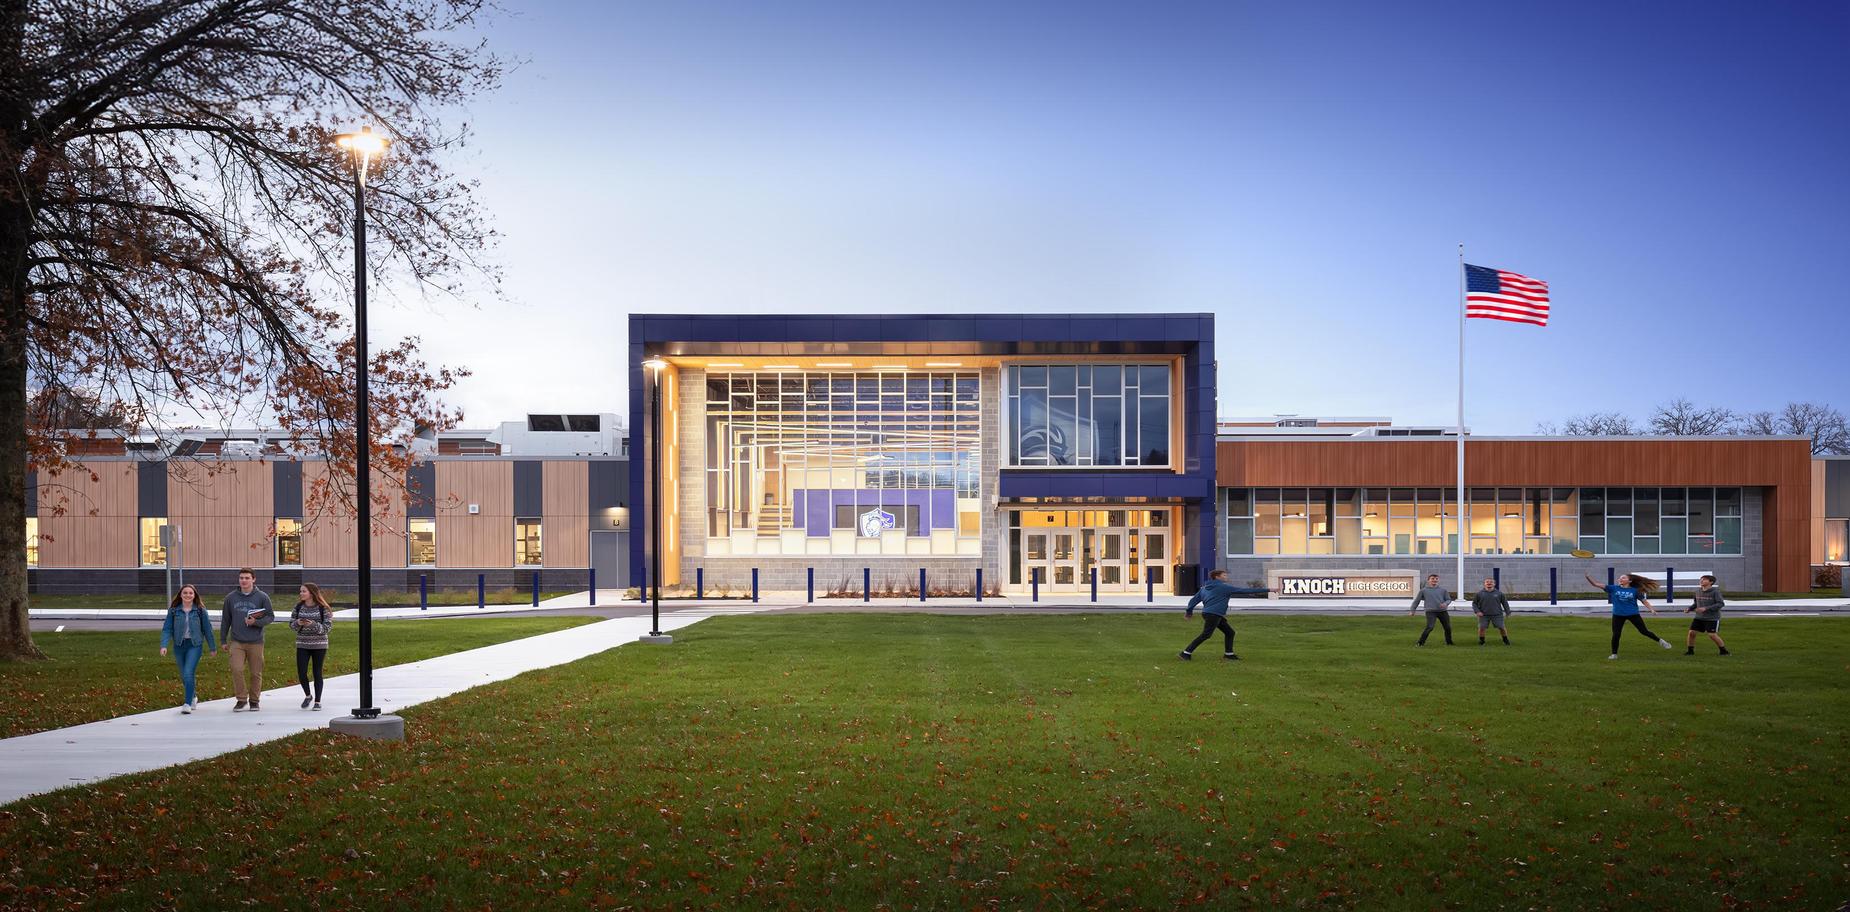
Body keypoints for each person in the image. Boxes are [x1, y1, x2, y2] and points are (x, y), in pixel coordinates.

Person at [220, 567, 274, 711]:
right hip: (237, 641)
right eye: (241, 578)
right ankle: (241, 699)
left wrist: (255, 622)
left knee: (256, 672)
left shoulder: (262, 597)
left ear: (253, 579)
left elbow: (270, 616)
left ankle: (254, 701)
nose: (244, 581)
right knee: (236, 669)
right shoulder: (231, 598)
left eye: (247, 578)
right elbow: (226, 620)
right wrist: (223, 640)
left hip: (256, 641)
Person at [159, 583, 217, 713]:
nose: (188, 595)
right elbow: (167, 629)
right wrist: (164, 645)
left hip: (194, 645)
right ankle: (193, 697)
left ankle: (187, 703)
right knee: (183, 675)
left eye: (190, 593)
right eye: (185, 593)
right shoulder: (174, 611)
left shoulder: (200, 611)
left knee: (188, 672)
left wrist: (212, 647)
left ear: (194, 595)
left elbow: (208, 629)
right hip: (179, 645)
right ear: (180, 595)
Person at [1587, 572, 1672, 659]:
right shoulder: (1613, 588)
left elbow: (1644, 601)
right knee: (1616, 634)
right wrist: (1588, 576)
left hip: (1633, 614)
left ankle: (1661, 641)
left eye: (1623, 578)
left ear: (1630, 581)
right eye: (1620, 578)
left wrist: (1651, 609)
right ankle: (1614, 654)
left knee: (1644, 631)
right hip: (1618, 615)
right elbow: (1595, 584)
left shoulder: (1635, 590)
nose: (1620, 579)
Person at [1179, 569, 1241, 661]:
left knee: (1230, 632)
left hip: (1210, 614)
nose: (1226, 577)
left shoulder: (1204, 588)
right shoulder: (1224, 587)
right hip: (1214, 614)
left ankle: (1229, 654)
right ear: (1217, 577)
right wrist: (1268, 589)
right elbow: (1244, 590)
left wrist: (1189, 612)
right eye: (1224, 575)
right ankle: (1185, 653)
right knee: (1206, 635)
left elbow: (1193, 600)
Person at [291, 583, 335, 710]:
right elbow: (291, 625)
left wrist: (312, 625)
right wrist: (298, 623)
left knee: (317, 673)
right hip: (302, 644)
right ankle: (308, 695)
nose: (301, 593)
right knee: (302, 672)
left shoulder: (323, 608)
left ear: (311, 593)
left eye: (303, 591)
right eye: (300, 591)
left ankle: (317, 701)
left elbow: (327, 628)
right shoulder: (298, 607)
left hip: (319, 645)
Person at [1684, 574, 1731, 656]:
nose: (1701, 581)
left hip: (1712, 618)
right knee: (1691, 633)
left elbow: (1720, 604)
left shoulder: (1715, 592)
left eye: (1704, 579)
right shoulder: (1698, 591)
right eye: (1701, 579)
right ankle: (1690, 651)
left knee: (1712, 635)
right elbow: (1696, 603)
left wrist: (1706, 608)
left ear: (1711, 582)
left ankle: (1724, 651)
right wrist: (1689, 609)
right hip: (1699, 617)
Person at [1409, 573, 1455, 646]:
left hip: (1442, 611)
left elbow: (1448, 599)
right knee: (1430, 627)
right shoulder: (1423, 591)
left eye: (1436, 579)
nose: (1434, 580)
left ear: (1438, 580)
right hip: (1430, 612)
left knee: (1447, 627)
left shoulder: (1443, 590)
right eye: (1432, 579)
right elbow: (1416, 601)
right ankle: (1420, 643)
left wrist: (1445, 604)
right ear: (1428, 580)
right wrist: (1412, 610)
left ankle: (1449, 642)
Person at [1470, 577, 1512, 646]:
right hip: (1483, 615)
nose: (1489, 583)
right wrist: (1477, 611)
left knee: (1502, 628)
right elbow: (1474, 603)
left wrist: (1508, 612)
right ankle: (1482, 641)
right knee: (1482, 628)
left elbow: (1505, 603)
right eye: (1487, 582)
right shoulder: (1479, 594)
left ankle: (1505, 640)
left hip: (1497, 614)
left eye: (1491, 582)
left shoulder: (1499, 593)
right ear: (1484, 584)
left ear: (1494, 584)